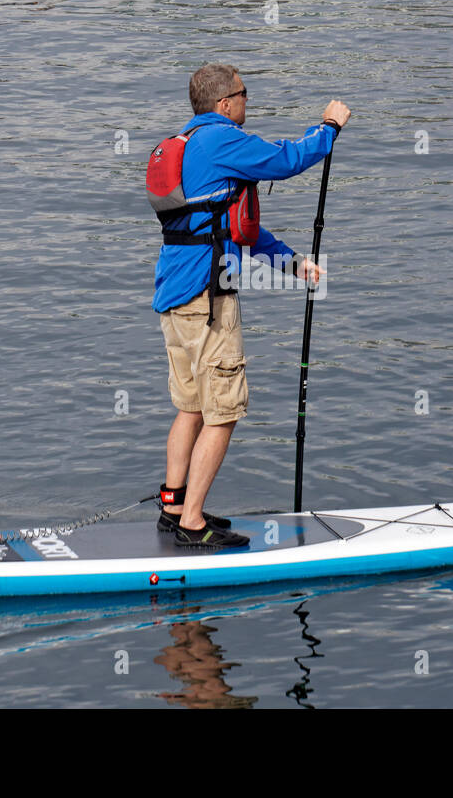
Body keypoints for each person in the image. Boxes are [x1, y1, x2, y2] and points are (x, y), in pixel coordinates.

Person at [151, 63, 350, 547]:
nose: (248, 101)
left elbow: (229, 225)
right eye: (244, 93)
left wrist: (289, 262)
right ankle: (192, 523)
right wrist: (329, 128)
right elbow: (286, 159)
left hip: (174, 297)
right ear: (223, 103)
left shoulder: (185, 143)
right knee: (224, 409)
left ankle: (173, 506)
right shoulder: (220, 140)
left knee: (191, 406)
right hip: (206, 300)